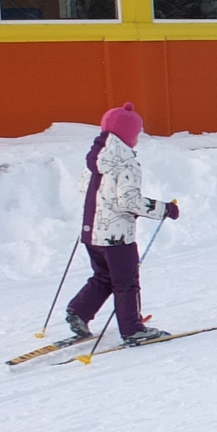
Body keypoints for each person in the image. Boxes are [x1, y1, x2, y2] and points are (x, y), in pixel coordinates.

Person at [64, 101, 178, 346]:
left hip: (91, 231)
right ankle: (132, 328)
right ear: (129, 136)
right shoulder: (126, 164)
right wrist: (165, 209)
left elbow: (85, 188)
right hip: (117, 238)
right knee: (126, 282)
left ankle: (79, 311)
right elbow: (129, 200)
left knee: (103, 276)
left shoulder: (95, 160)